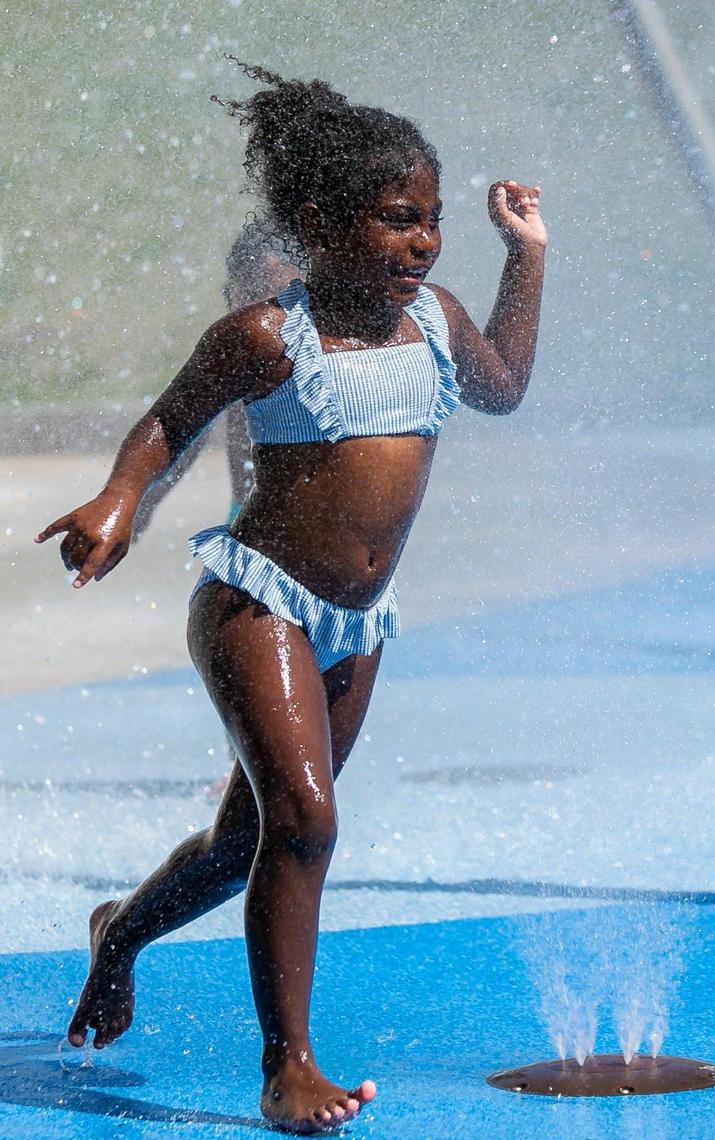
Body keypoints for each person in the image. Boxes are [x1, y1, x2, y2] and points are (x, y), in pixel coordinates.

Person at [36, 59, 546, 1133]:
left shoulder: (438, 323)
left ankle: (119, 935)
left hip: (356, 625)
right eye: (397, 220)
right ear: (321, 225)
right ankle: (289, 1069)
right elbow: (168, 422)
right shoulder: (271, 336)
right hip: (254, 606)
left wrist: (526, 257)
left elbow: (503, 388)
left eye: (431, 221)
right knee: (306, 821)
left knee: (245, 845)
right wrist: (118, 501)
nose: (423, 242)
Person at [131, 222, 301, 535]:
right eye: (252, 294)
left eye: (282, 297)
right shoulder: (237, 359)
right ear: (231, 295)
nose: (264, 309)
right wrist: (138, 500)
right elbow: (184, 434)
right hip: (247, 523)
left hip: (320, 529)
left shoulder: (324, 358)